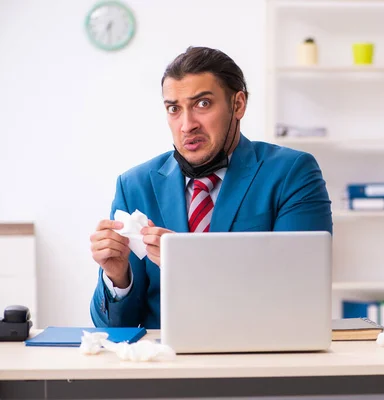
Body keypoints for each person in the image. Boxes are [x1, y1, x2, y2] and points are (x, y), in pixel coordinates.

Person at [89, 46, 333, 328]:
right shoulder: (135, 185)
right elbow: (114, 329)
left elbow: (300, 294)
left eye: (202, 104)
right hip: (165, 364)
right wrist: (118, 279)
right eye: (174, 109)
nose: (186, 125)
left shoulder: (292, 173)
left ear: (238, 105)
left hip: (257, 359)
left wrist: (187, 265)